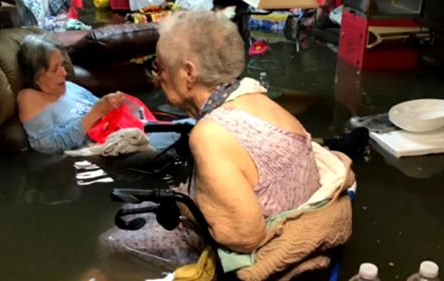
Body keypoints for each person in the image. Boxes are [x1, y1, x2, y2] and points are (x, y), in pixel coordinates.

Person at [99, 10, 355, 277]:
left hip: (259, 250)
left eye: (160, 67)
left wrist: (189, 202)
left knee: (110, 242)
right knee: (131, 209)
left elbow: (244, 237)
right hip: (288, 216)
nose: (159, 76)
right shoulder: (257, 98)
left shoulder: (210, 134)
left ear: (188, 73)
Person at [17, 33, 126, 154]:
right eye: (54, 69)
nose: (64, 73)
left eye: (62, 65)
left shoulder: (71, 87)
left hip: (116, 141)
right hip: (89, 157)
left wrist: (112, 105)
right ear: (36, 76)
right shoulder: (30, 97)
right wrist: (95, 113)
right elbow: (46, 145)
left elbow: (106, 114)